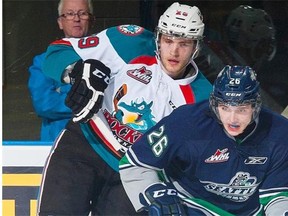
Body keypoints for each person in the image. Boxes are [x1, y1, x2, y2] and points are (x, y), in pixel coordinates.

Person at [37, 2, 212, 215]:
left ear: (196, 47)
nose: (174, 51)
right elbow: (57, 51)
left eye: (184, 44)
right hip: (83, 147)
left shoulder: (203, 98)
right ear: (158, 38)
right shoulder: (128, 41)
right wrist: (77, 71)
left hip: (135, 173)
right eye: (168, 40)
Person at [119, 65, 288, 215]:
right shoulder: (186, 121)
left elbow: (276, 195)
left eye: (242, 110)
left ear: (255, 106)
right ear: (214, 104)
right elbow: (136, 163)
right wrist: (154, 192)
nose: (232, 119)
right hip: (187, 202)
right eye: (225, 108)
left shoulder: (280, 133)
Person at [28, 0, 94, 141]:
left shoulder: (107, 58)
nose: (76, 19)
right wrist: (92, 102)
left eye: (82, 14)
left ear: (91, 19)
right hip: (58, 144)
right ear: (60, 22)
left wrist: (66, 95)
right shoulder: (44, 61)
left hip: (98, 146)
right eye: (69, 14)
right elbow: (44, 105)